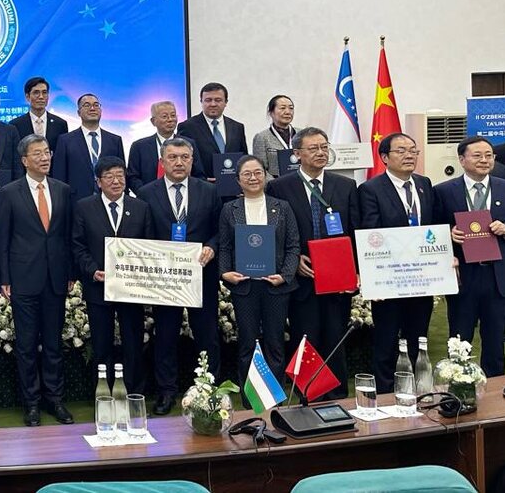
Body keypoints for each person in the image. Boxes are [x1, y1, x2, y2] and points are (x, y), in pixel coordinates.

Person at [265, 127, 359, 399]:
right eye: (313, 148)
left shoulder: (346, 186)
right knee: (305, 340)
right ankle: (308, 397)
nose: (321, 152)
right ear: (297, 154)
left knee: (335, 337)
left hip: (337, 279)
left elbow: (355, 230)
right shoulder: (280, 187)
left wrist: (355, 271)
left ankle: (338, 398)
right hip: (302, 279)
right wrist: (292, 261)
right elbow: (275, 234)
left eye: (324, 147)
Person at [137, 138, 222, 413]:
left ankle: (209, 391)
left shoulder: (209, 191)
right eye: (172, 157)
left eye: (185, 157)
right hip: (166, 278)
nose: (179, 162)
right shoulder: (146, 193)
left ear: (192, 160)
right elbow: (142, 233)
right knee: (165, 336)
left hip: (201, 274)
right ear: (162, 162)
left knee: (207, 335)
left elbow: (219, 230)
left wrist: (211, 246)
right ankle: (166, 392)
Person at [434, 136, 505, 377]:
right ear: (461, 159)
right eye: (477, 155)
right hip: (464, 275)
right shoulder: (443, 191)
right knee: (459, 339)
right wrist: (448, 234)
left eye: (489, 155)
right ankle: (458, 385)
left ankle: (495, 388)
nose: (484, 160)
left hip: (498, 275)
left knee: (495, 340)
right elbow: (432, 229)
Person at [0, 135, 75, 427]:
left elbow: (68, 236)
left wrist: (70, 273)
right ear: (24, 160)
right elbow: (2, 238)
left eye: (47, 152)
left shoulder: (63, 190)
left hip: (56, 278)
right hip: (23, 278)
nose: (44, 157)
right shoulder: (9, 192)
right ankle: (31, 403)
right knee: (27, 345)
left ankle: (55, 399)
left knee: (54, 343)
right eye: (37, 153)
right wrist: (5, 277)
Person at [358, 132, 440, 393]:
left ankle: (416, 389)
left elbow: (433, 227)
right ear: (384, 157)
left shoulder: (424, 184)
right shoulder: (370, 189)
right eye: (401, 151)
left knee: (418, 336)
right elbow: (370, 233)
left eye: (413, 150)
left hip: (421, 277)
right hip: (389, 278)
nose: (409, 155)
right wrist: (373, 278)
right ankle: (384, 392)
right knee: (386, 338)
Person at [218, 155, 299, 399]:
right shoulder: (229, 209)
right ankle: (251, 398)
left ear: (265, 176)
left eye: (258, 173)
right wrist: (225, 273)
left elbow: (293, 245)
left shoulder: (282, 206)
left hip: (275, 287)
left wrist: (285, 275)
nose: (253, 178)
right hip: (244, 288)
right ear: (238, 180)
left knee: (275, 343)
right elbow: (224, 246)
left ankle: (274, 396)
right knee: (247, 344)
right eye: (247, 174)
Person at [73, 157, 152, 401]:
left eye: (120, 175)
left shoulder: (140, 207)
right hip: (99, 287)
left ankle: (135, 392)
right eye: (109, 176)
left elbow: (149, 247)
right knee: (101, 344)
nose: (116, 181)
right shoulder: (84, 207)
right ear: (98, 182)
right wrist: (92, 270)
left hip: (131, 289)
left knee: (133, 342)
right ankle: (103, 395)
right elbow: (77, 245)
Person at [53, 94, 125, 202]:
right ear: (78, 112)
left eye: (96, 105)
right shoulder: (65, 141)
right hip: (76, 201)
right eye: (87, 105)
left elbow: (122, 173)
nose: (92, 108)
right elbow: (59, 176)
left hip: (110, 200)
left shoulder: (115, 140)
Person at [177, 82, 249, 179]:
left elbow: (244, 158)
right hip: (202, 184)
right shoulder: (187, 127)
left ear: (226, 102)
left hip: (233, 184)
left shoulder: (237, 127)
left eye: (218, 100)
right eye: (208, 100)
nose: (213, 104)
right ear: (201, 101)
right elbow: (183, 158)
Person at [127, 100, 202, 192]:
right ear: (153, 121)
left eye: (173, 115)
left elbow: (198, 174)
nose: (170, 119)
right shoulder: (139, 146)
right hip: (149, 197)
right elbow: (133, 177)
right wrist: (146, 194)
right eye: (164, 116)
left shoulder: (189, 143)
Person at [11, 77, 68, 151]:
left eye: (44, 92)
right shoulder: (15, 125)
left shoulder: (60, 124)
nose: (41, 97)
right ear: (27, 97)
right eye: (36, 93)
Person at [251, 95, 296, 179]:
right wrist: (275, 184)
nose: (288, 112)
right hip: (275, 184)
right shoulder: (262, 137)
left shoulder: (302, 134)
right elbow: (260, 169)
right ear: (271, 113)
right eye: (282, 108)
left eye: (291, 108)